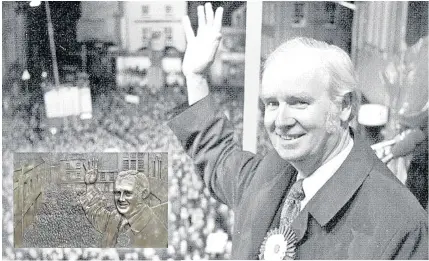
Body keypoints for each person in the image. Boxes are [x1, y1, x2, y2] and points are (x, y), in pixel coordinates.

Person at [168, 3, 428, 259]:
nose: (280, 120)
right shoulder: (268, 175)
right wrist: (196, 77)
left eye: (299, 102)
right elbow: (217, 154)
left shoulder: (400, 225)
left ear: (345, 106)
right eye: (271, 103)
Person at [78, 159, 167, 247]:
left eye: (127, 193)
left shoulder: (156, 231)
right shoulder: (116, 217)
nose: (121, 199)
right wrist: (90, 186)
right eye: (117, 193)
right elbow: (97, 215)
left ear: (143, 194)